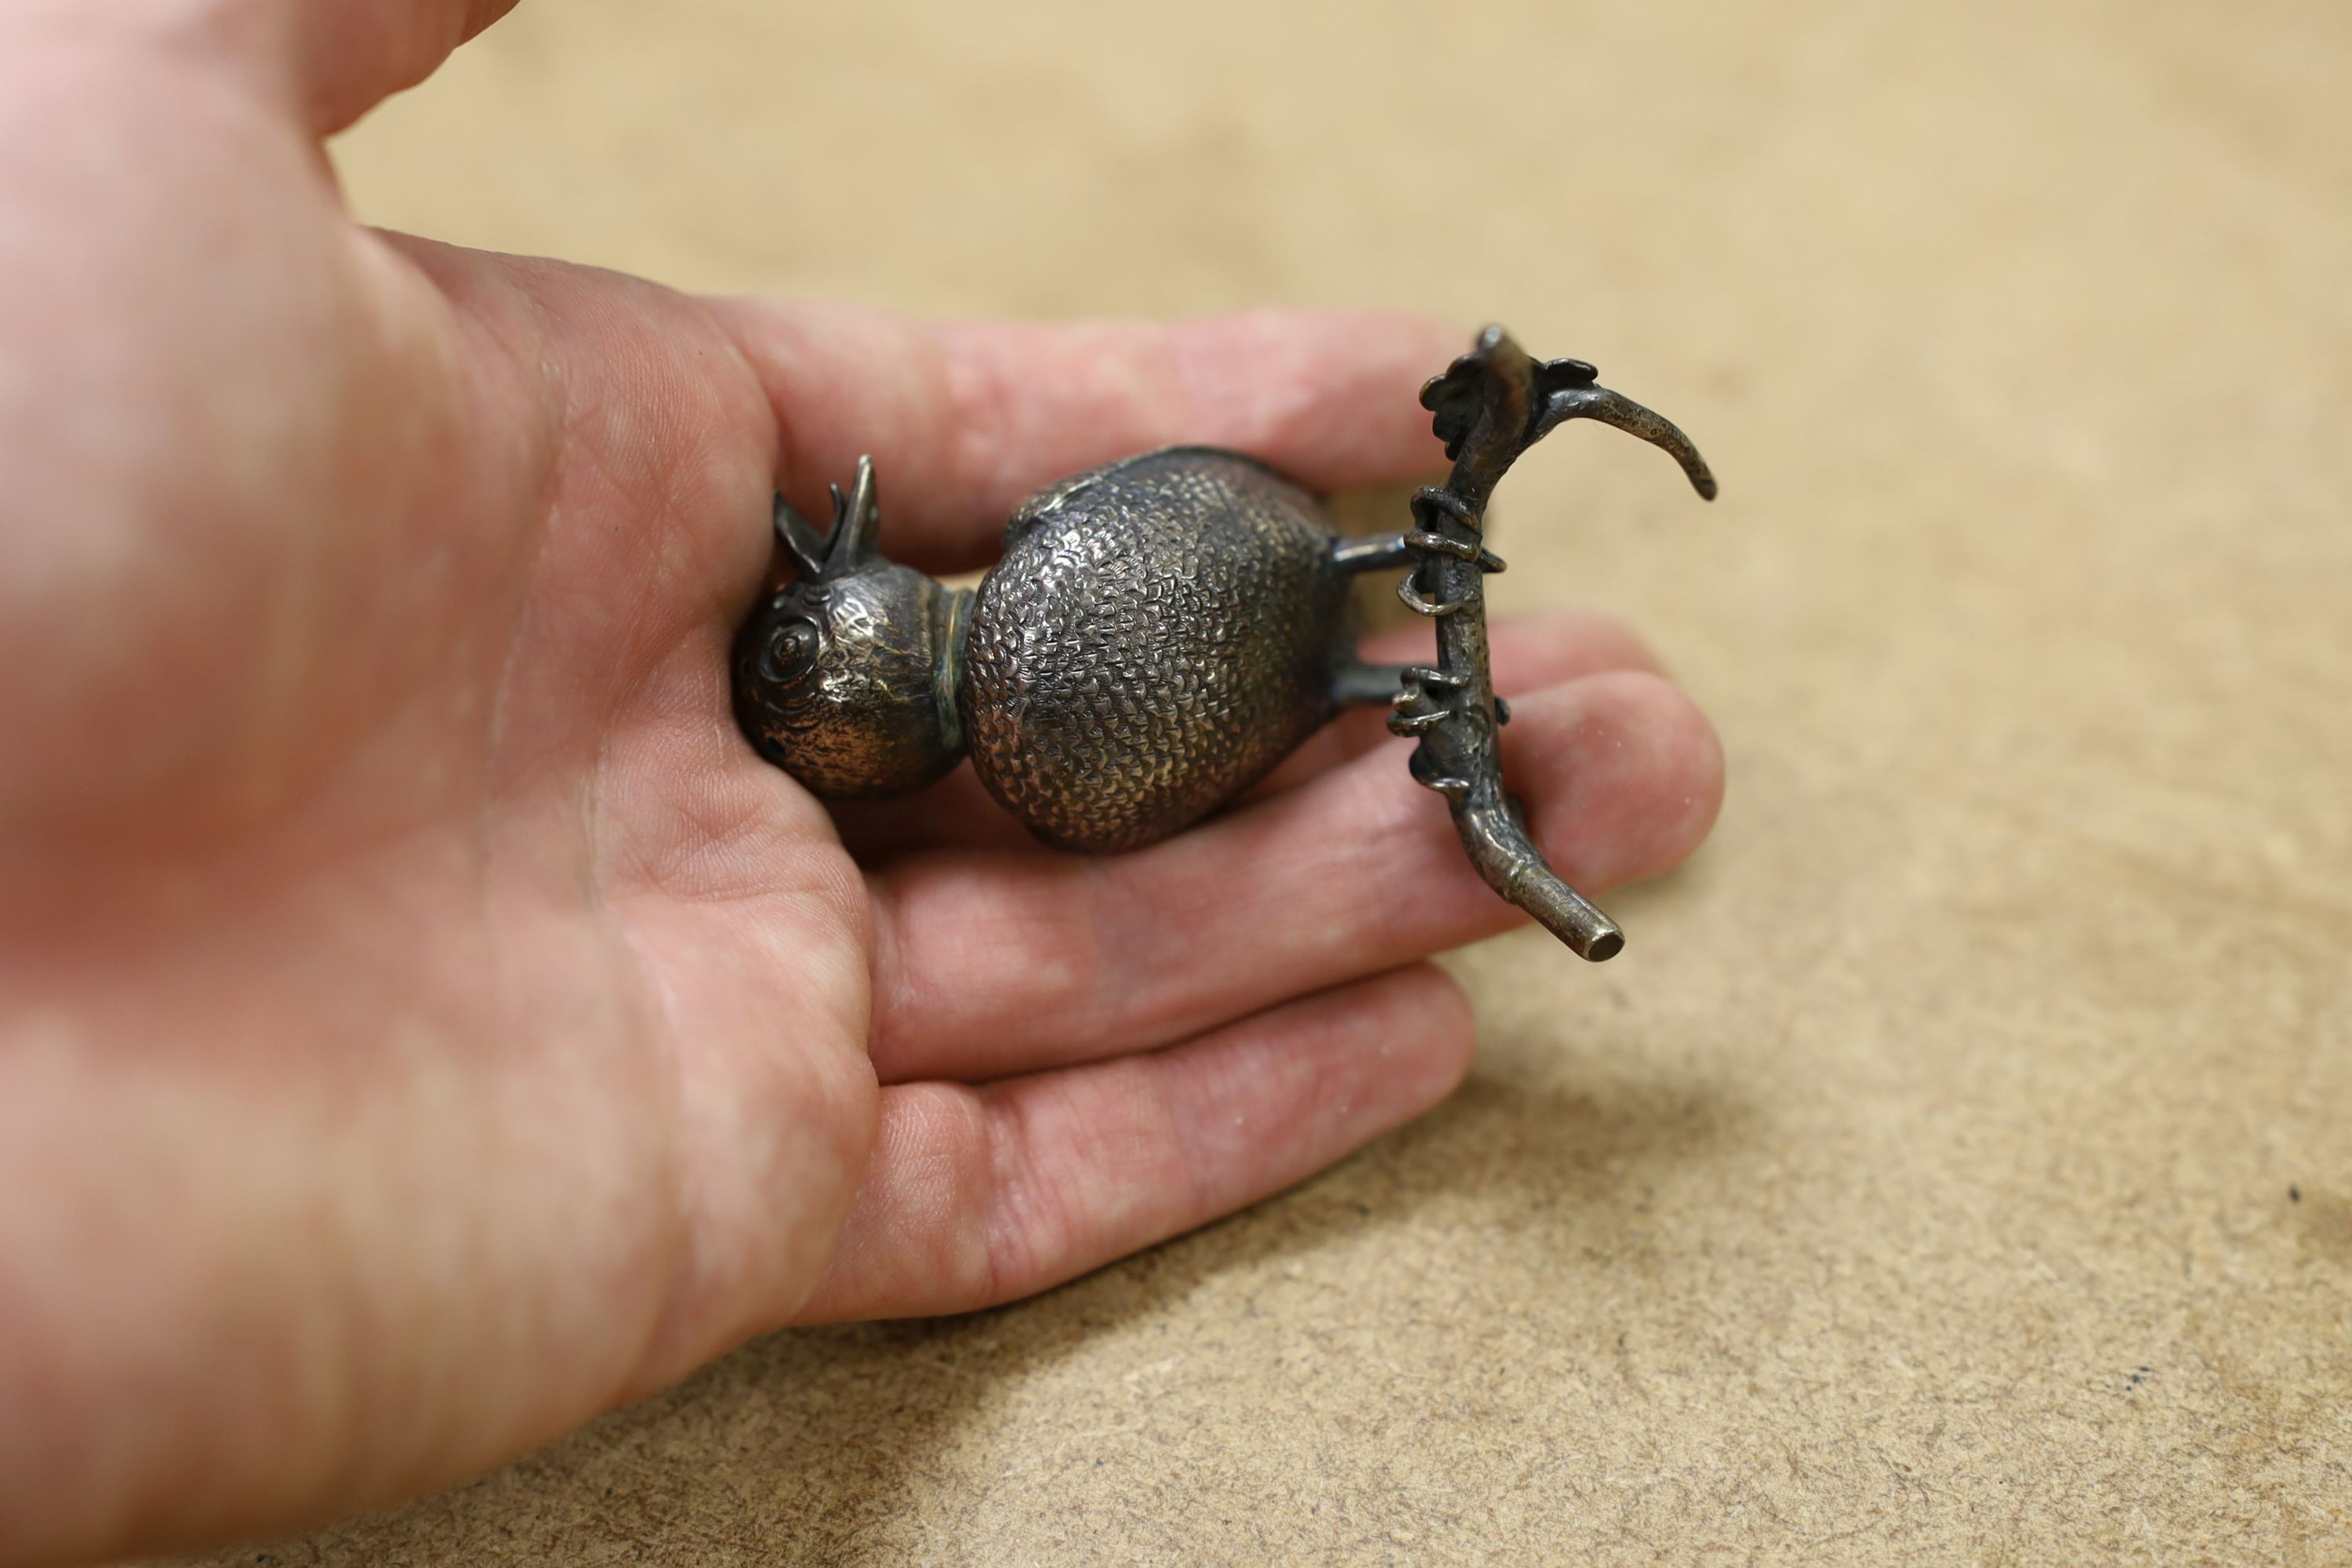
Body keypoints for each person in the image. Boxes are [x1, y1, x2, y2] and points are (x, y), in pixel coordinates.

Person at [0, 2, 1722, 1562]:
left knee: (1350, 643)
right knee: (1337, 636)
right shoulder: (1051, 715)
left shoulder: (1052, 741)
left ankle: (1383, 666)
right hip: (1272, 584)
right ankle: (1385, 669)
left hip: (1266, 589)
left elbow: (1149, 534)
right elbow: (1159, 521)